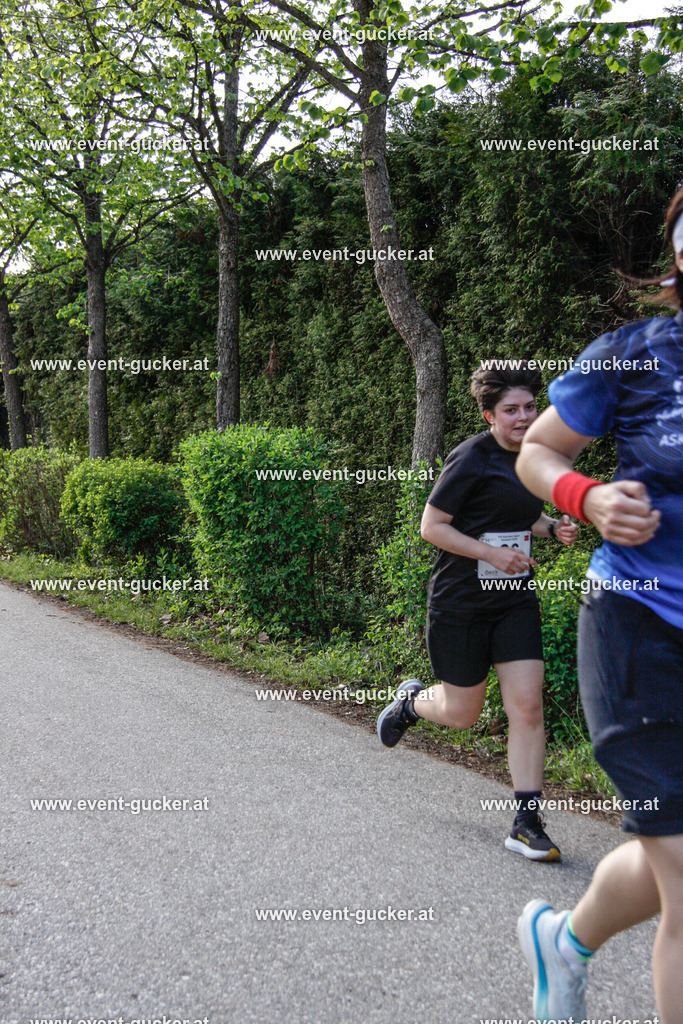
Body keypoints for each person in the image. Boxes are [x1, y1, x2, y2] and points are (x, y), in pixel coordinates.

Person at [514, 188, 683, 1023]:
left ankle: (564, 942)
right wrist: (585, 496)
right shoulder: (635, 354)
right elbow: (538, 451)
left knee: (672, 861)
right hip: (640, 628)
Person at [377, 363, 578, 861]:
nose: (524, 417)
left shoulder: (537, 457)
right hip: (460, 603)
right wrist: (490, 553)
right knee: (462, 714)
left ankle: (526, 822)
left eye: (531, 407)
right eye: (511, 410)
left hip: (513, 601)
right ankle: (410, 704)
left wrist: (551, 528)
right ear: (490, 414)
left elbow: (519, 514)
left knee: (527, 704)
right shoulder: (470, 457)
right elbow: (432, 526)